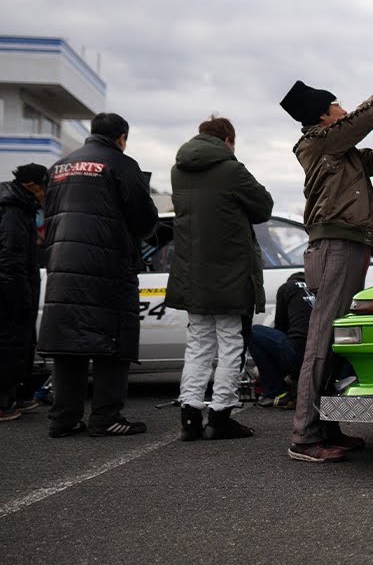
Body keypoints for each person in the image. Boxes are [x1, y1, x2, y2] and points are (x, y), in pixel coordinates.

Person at [279, 74, 373, 463]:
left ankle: (327, 426)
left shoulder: (343, 151)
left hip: (350, 244)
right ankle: (305, 437)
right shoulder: (319, 142)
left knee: (338, 338)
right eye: (337, 106)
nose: (344, 110)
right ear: (323, 117)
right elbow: (359, 120)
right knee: (322, 341)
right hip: (335, 246)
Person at [37, 113, 159, 437]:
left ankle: (63, 419)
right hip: (107, 265)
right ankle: (106, 417)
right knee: (112, 339)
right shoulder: (121, 164)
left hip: (62, 265)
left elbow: (48, 218)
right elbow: (144, 219)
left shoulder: (59, 167)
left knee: (68, 339)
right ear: (122, 137)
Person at [165, 116, 274, 441]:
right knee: (230, 345)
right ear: (228, 140)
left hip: (192, 274)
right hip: (230, 273)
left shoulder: (177, 171)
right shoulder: (231, 170)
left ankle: (189, 418)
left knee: (198, 345)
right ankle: (221, 416)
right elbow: (263, 206)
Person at [0, 164, 47, 421]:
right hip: (10, 293)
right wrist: (20, 297)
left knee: (20, 346)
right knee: (9, 346)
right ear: (31, 186)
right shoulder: (13, 210)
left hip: (17, 288)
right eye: (43, 187)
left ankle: (14, 395)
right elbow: (10, 258)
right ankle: (3, 400)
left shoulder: (21, 207)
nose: (45, 194)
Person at [248, 271, 313, 409]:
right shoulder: (321, 289)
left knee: (253, 332)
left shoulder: (287, 288)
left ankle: (275, 392)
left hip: (300, 355)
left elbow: (280, 328)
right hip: (326, 358)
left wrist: (265, 368)